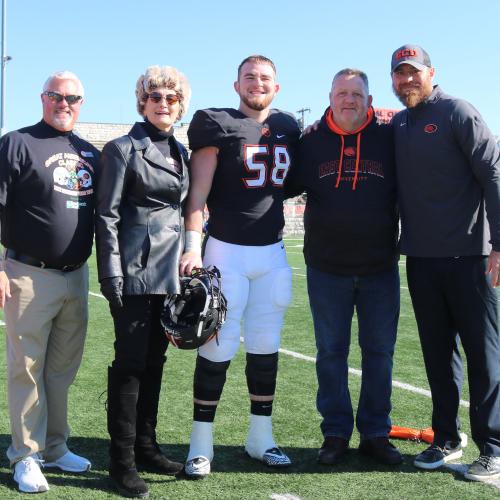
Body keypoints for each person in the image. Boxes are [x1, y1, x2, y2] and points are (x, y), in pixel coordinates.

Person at [179, 55, 301, 478]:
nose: (257, 83)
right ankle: (200, 445)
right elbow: (197, 194)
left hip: (272, 253)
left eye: (265, 78)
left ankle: (260, 438)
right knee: (218, 346)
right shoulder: (216, 123)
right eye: (249, 77)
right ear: (236, 85)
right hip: (226, 252)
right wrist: (193, 247)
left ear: (277, 87)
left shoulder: (288, 127)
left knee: (266, 347)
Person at [390, 44, 500, 481]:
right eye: (399, 74)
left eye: (414, 72)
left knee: (483, 355)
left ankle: (493, 446)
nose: (407, 80)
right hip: (421, 258)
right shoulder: (398, 123)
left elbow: (493, 173)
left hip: (470, 257)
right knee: (438, 355)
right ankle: (448, 437)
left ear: (431, 73)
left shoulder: (457, 111)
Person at [285, 69, 401, 466]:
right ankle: (334, 432)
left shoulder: (390, 138)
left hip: (379, 268)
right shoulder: (311, 140)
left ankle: (375, 432)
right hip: (326, 268)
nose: (349, 99)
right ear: (330, 96)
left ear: (368, 98)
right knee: (330, 353)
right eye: (342, 92)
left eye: (356, 93)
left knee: (379, 354)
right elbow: (283, 184)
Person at [0, 71, 98, 493]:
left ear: (81, 102)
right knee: (26, 368)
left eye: (72, 97)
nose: (64, 103)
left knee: (60, 372)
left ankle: (55, 447)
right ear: (42, 98)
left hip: (75, 276)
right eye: (56, 95)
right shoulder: (17, 143)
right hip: (27, 273)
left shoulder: (90, 152)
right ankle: (25, 454)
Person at [95, 66, 191, 498]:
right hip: (133, 271)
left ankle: (147, 448)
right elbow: (107, 215)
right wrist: (111, 273)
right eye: (156, 96)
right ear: (142, 101)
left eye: (172, 97)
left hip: (168, 273)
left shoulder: (180, 152)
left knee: (156, 362)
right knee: (131, 365)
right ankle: (122, 462)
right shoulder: (121, 148)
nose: (164, 103)